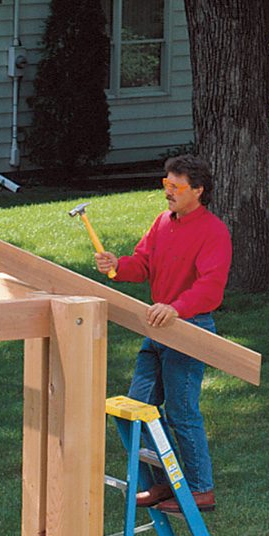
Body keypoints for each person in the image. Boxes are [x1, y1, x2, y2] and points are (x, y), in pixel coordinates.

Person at [95, 155, 229, 513]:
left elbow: (211, 287)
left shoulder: (213, 231)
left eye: (175, 187)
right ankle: (164, 482)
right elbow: (142, 264)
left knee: (181, 413)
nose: (168, 192)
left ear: (198, 190)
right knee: (137, 408)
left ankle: (201, 490)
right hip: (156, 327)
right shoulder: (162, 222)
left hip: (189, 328)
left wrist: (177, 307)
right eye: (165, 184)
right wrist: (117, 265)